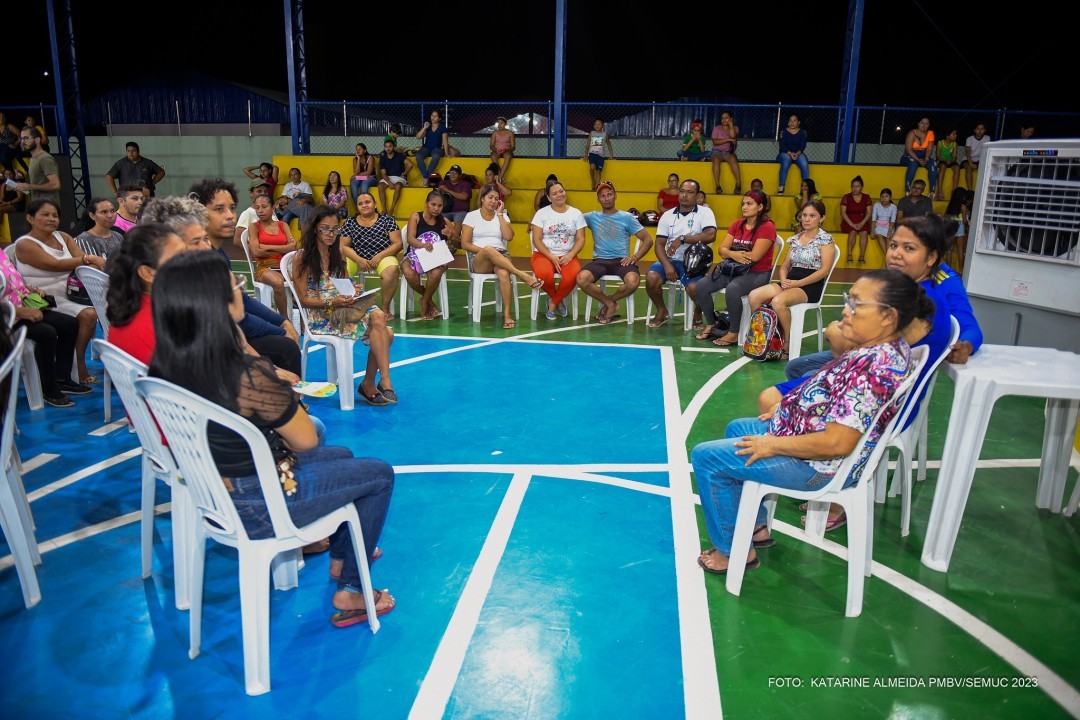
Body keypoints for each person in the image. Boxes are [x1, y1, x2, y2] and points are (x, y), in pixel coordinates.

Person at [149, 248, 396, 626]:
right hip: (262, 502)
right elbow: (304, 440)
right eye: (236, 286)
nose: (241, 290)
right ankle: (350, 587)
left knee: (344, 454)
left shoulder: (166, 360)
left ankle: (344, 555)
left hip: (215, 490)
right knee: (379, 474)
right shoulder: (243, 373)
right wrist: (285, 394)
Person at [691, 269, 933, 572]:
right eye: (849, 300)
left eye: (857, 304)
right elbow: (831, 398)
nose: (846, 310)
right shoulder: (880, 349)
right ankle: (754, 528)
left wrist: (773, 443)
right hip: (808, 442)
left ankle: (732, 553)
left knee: (707, 458)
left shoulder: (871, 368)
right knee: (739, 429)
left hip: (817, 466)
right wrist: (787, 410)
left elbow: (837, 442)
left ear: (887, 316)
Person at [187, 178, 303, 377]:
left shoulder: (219, 253)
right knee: (286, 348)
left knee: (284, 343)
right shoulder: (204, 258)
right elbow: (233, 317)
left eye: (232, 208)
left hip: (228, 332)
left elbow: (243, 299)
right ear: (200, 213)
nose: (230, 216)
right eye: (219, 209)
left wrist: (282, 321)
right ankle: (291, 403)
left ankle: (290, 401)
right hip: (212, 343)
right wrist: (279, 330)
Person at [294, 205, 398, 406]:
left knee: (380, 319)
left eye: (335, 229)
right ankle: (371, 384)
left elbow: (344, 283)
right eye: (325, 228)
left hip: (343, 307)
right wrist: (332, 301)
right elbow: (303, 300)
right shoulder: (303, 258)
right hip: (322, 316)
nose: (331, 234)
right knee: (387, 333)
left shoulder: (338, 253)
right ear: (315, 228)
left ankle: (382, 381)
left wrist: (354, 289)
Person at [14, 199, 105, 385]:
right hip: (43, 298)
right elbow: (54, 265)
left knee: (100, 311)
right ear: (30, 218)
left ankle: (80, 361)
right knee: (88, 314)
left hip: (72, 294)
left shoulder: (63, 236)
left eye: (55, 215)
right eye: (45, 215)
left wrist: (91, 262)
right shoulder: (24, 244)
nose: (52, 219)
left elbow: (81, 259)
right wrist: (90, 258)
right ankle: (76, 366)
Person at [1, 235, 83, 407]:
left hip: (21, 304)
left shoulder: (1, 253)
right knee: (47, 333)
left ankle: (62, 378)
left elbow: (12, 281)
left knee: (69, 324)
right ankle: (48, 389)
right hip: (6, 318)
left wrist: (29, 289)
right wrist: (19, 311)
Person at [746, 199, 836, 356]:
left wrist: (797, 283)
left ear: (821, 218)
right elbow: (785, 266)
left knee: (778, 301)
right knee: (754, 296)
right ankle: (769, 335)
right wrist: (784, 279)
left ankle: (788, 340)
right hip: (790, 281)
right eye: (804, 215)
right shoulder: (795, 239)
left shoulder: (826, 240)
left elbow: (824, 271)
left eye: (812, 216)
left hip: (810, 285)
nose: (806, 219)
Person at [692, 189, 775, 345]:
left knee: (733, 289)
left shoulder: (767, 227)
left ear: (760, 207)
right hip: (733, 270)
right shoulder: (737, 224)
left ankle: (734, 332)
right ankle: (711, 324)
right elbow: (722, 250)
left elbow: (756, 256)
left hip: (757, 273)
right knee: (702, 285)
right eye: (743, 203)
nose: (744, 207)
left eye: (749, 204)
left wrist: (731, 253)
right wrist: (735, 254)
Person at [105, 223, 189, 365]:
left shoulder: (134, 306)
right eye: (178, 258)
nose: (190, 261)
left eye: (187, 253)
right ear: (148, 273)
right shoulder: (158, 323)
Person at [461, 184, 542, 330]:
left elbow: (509, 237)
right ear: (482, 198)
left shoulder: (502, 216)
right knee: (488, 249)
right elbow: (465, 244)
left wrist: (500, 215)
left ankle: (507, 315)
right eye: (490, 197)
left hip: (502, 256)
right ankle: (522, 275)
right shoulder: (471, 216)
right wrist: (486, 252)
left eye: (496, 198)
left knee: (504, 273)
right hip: (480, 259)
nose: (493, 201)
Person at [644, 179, 718, 329]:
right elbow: (659, 244)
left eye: (690, 192)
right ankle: (661, 310)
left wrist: (684, 239)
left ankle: (697, 311)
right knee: (651, 277)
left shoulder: (705, 212)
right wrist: (666, 265)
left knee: (694, 289)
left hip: (694, 263)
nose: (685, 195)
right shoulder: (668, 215)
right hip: (671, 260)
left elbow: (711, 235)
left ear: (697, 196)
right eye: (682, 191)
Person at [579, 181, 654, 324]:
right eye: (602, 196)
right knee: (582, 279)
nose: (606, 198)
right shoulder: (591, 217)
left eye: (609, 194)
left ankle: (610, 301)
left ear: (615, 196)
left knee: (633, 282)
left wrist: (635, 257)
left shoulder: (627, 218)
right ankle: (611, 305)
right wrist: (536, 221)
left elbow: (648, 240)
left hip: (621, 261)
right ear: (598, 200)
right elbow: (568, 217)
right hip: (600, 260)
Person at [339, 192, 403, 319]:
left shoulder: (387, 220)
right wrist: (359, 259)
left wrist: (379, 256)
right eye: (360, 204)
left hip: (383, 255)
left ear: (375, 204)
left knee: (392, 270)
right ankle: (346, 304)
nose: (364, 205)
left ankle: (385, 308)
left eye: (367, 202)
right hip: (356, 257)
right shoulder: (350, 222)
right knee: (340, 266)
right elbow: (343, 245)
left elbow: (398, 243)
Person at [530, 181, 586, 320]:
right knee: (543, 274)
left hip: (568, 255)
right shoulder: (541, 214)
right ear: (549, 198)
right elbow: (536, 239)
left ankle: (553, 303)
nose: (559, 195)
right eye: (554, 193)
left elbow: (581, 239)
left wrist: (571, 254)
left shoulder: (576, 213)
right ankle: (559, 301)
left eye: (561, 191)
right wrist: (550, 256)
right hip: (544, 254)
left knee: (574, 276)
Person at [403, 190, 455, 320]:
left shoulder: (445, 221)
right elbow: (410, 239)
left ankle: (425, 302)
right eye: (433, 204)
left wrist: (451, 235)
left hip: (437, 258)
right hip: (415, 254)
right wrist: (423, 245)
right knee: (407, 271)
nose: (436, 208)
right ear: (426, 203)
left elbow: (458, 244)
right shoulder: (416, 217)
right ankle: (429, 301)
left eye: (440, 206)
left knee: (436, 273)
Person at [248, 193, 297, 314]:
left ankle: (303, 319)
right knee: (278, 282)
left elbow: (293, 248)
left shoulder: (283, 225)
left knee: (303, 280)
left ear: (273, 206)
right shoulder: (254, 227)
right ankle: (284, 320)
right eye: (257, 207)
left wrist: (267, 247)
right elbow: (255, 252)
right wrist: (283, 248)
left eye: (264, 206)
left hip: (284, 266)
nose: (260, 211)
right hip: (264, 267)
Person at [15, 128, 60, 207]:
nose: (22, 142)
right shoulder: (33, 159)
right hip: (37, 206)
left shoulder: (45, 158)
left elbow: (55, 184)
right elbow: (37, 184)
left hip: (48, 207)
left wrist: (30, 186)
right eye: (21, 139)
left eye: (26, 138)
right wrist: (24, 186)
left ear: (37, 140)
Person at [839, 175, 872, 264]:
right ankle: (849, 255)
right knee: (853, 232)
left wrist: (861, 223)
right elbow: (843, 212)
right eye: (853, 186)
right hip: (848, 221)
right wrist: (852, 224)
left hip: (862, 220)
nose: (855, 189)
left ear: (861, 187)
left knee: (864, 233)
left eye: (857, 186)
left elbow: (869, 212)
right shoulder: (846, 197)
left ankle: (862, 256)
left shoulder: (866, 197)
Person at [902, 117, 938, 196]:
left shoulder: (930, 133)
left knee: (933, 164)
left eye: (926, 124)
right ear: (918, 123)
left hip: (923, 155)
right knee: (913, 163)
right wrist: (918, 159)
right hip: (910, 155)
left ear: (929, 125)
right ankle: (907, 190)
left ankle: (932, 191)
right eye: (922, 123)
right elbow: (908, 149)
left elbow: (929, 149)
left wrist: (926, 158)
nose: (924, 125)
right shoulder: (912, 133)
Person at [234, 178, 275, 246]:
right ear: (251, 193)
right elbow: (237, 240)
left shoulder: (270, 211)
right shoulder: (247, 213)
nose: (263, 194)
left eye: (265, 191)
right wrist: (256, 252)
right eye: (259, 191)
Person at [377, 140, 412, 217]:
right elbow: (383, 173)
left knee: (398, 186)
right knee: (380, 186)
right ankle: (384, 209)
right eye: (386, 146)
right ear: (384, 148)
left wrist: (404, 174)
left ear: (393, 147)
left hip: (399, 177)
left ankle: (391, 209)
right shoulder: (383, 157)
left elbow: (410, 164)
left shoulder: (399, 155)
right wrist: (389, 182)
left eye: (390, 146)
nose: (388, 148)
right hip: (387, 177)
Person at [775, 113, 808, 195]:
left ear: (799, 122)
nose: (792, 122)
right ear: (788, 122)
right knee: (786, 161)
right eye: (790, 120)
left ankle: (806, 188)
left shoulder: (802, 132)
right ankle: (781, 187)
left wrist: (798, 153)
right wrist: (790, 153)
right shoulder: (783, 131)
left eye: (795, 120)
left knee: (804, 162)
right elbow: (782, 145)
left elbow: (803, 145)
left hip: (798, 153)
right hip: (785, 153)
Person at [710, 112, 741, 194]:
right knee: (716, 160)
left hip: (728, 152)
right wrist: (727, 140)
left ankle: (738, 184)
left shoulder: (735, 128)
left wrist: (731, 126)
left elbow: (733, 136)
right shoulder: (717, 128)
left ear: (731, 119)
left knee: (733, 158)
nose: (724, 120)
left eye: (726, 118)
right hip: (717, 151)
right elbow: (715, 142)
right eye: (722, 118)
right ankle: (717, 185)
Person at [415, 110, 450, 183]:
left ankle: (425, 178)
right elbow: (418, 136)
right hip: (427, 148)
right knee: (418, 155)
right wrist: (424, 128)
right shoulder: (428, 126)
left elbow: (445, 141)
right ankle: (426, 177)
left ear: (439, 118)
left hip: (437, 149)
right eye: (432, 115)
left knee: (436, 156)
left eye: (435, 116)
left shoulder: (442, 127)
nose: (433, 118)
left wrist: (446, 153)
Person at [944, 187, 971, 272]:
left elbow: (945, 217)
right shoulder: (963, 207)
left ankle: (948, 270)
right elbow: (964, 221)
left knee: (949, 250)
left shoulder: (950, 205)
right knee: (960, 249)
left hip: (950, 225)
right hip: (959, 226)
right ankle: (961, 270)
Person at [438, 164, 473, 228]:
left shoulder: (465, 184)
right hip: (445, 212)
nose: (453, 174)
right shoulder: (444, 183)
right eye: (451, 172)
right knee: (438, 219)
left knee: (459, 219)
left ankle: (455, 238)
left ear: (459, 175)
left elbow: (464, 197)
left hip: (461, 212)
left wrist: (448, 190)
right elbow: (439, 192)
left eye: (455, 173)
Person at [584, 118, 614, 190]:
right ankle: (592, 179)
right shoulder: (592, 133)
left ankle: (596, 187)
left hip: (600, 156)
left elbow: (609, 145)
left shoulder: (604, 135)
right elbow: (588, 144)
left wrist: (611, 155)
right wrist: (586, 155)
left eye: (599, 124)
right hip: (592, 154)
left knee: (598, 171)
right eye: (595, 124)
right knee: (592, 167)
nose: (597, 126)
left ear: (602, 125)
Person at [935, 128, 961, 201]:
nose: (955, 136)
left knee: (957, 168)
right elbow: (937, 157)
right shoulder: (940, 143)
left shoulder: (954, 144)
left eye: (955, 134)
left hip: (950, 161)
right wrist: (945, 160)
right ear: (947, 136)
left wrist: (953, 160)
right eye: (953, 134)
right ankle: (939, 190)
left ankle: (954, 190)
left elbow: (955, 156)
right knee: (942, 167)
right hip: (942, 160)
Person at [871, 188, 897, 259]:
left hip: (889, 226)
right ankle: (888, 257)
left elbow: (893, 220)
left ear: (890, 197)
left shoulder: (893, 207)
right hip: (878, 225)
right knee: (879, 235)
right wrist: (872, 231)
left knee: (889, 237)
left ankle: (887, 258)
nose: (884, 198)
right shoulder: (876, 205)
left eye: (886, 196)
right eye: (882, 196)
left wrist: (890, 230)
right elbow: (873, 219)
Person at [963, 122, 990, 191]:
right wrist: (971, 163)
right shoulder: (969, 139)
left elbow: (986, 152)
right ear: (974, 130)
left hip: (980, 160)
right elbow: (967, 151)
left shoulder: (987, 138)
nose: (980, 131)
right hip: (968, 159)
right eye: (978, 129)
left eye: (982, 129)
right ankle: (970, 190)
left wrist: (979, 164)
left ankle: (983, 189)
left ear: (985, 130)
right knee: (969, 167)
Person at [350, 143, 376, 212]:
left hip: (371, 178)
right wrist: (358, 159)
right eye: (356, 149)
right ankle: (359, 207)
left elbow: (369, 172)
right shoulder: (355, 159)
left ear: (364, 150)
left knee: (364, 184)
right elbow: (356, 172)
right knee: (353, 182)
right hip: (361, 178)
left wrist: (357, 176)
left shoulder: (370, 158)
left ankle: (366, 206)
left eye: (360, 149)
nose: (358, 151)